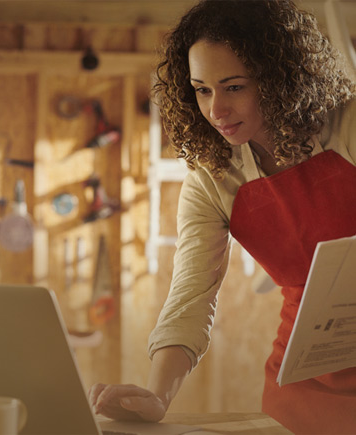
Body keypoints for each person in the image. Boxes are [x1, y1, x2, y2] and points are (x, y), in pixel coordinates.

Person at [89, 1, 356, 433]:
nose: (216, 110)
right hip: (305, 373)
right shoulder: (210, 179)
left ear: (278, 79)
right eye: (202, 89)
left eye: (233, 87)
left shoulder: (349, 125)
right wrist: (158, 395)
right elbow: (191, 296)